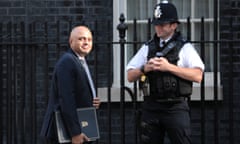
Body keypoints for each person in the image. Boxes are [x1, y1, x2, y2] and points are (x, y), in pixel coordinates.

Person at [126, 1, 204, 144]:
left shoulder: (184, 47)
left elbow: (198, 75)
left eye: (162, 24)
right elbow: (130, 76)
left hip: (175, 108)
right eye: (156, 24)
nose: (158, 28)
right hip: (151, 106)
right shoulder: (147, 47)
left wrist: (169, 67)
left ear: (174, 25)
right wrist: (145, 69)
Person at [40, 26, 101, 144]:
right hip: (65, 134)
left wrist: (92, 100)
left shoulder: (79, 61)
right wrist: (75, 133)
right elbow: (66, 99)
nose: (86, 42)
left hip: (80, 128)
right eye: (81, 39)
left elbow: (78, 93)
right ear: (71, 41)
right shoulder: (68, 62)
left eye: (89, 39)